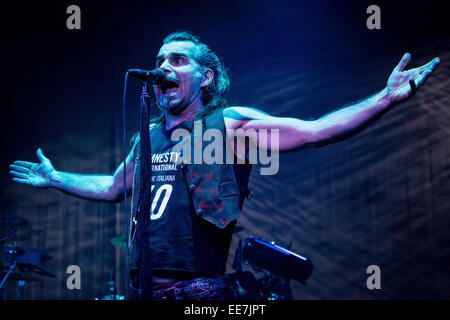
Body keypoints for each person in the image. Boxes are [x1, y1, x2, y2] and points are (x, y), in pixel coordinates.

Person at [9, 31, 440, 300]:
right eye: (159, 60)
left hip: (198, 292)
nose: (163, 68)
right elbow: (111, 187)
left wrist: (384, 99)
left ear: (207, 76)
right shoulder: (148, 135)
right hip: (140, 288)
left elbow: (314, 131)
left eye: (177, 60)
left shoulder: (226, 127)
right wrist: (56, 178)